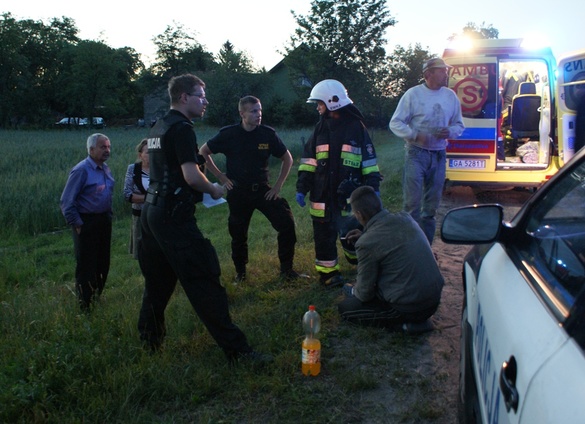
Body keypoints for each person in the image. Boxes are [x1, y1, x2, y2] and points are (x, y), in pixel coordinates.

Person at [137, 74, 271, 366]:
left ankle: (149, 342)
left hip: (151, 211)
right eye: (200, 96)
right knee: (205, 281)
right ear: (184, 97)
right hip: (173, 216)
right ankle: (239, 353)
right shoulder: (183, 128)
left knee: (157, 283)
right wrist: (214, 189)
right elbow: (190, 176)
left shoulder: (159, 125)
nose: (205, 101)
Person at [200, 95, 306, 283]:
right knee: (238, 234)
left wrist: (278, 186)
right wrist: (221, 176)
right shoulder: (229, 134)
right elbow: (203, 152)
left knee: (286, 224)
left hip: (263, 191)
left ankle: (287, 270)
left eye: (260, 110)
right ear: (242, 113)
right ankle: (240, 274)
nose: (259, 115)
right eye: (254, 111)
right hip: (238, 192)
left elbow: (287, 158)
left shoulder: (267, 134)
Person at [296, 79, 382, 287]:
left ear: (332, 102)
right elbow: (309, 162)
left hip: (348, 195)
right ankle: (328, 274)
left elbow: (369, 162)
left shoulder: (356, 128)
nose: (317, 107)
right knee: (323, 236)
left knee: (352, 230)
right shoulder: (320, 129)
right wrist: (302, 188)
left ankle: (357, 259)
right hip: (322, 196)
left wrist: (373, 188)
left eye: (319, 103)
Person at [337, 186, 444, 332]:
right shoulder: (405, 218)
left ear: (359, 215)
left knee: (345, 308)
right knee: (354, 291)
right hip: (434, 299)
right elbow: (389, 240)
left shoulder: (366, 243)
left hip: (409, 307)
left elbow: (364, 294)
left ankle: (407, 326)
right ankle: (414, 318)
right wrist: (365, 235)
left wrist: (354, 291)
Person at [389, 57, 464, 244]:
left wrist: (450, 131)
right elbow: (395, 123)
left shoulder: (450, 96)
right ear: (428, 74)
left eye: (446, 70)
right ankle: (411, 248)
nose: (446, 74)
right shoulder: (413, 94)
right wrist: (414, 135)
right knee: (411, 206)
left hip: (439, 155)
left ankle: (426, 248)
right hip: (416, 153)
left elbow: (459, 125)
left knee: (430, 208)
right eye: (442, 70)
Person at [60, 133, 114, 310]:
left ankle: (96, 297)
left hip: (103, 220)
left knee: (103, 262)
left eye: (108, 147)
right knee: (86, 265)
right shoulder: (81, 170)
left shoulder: (105, 168)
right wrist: (77, 223)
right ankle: (84, 305)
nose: (107, 150)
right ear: (91, 150)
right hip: (86, 222)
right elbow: (67, 201)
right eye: (103, 147)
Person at [123, 138, 149, 259]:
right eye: (148, 152)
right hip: (139, 214)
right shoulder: (133, 169)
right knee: (141, 250)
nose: (151, 155)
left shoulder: (161, 169)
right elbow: (127, 194)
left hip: (158, 215)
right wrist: (151, 198)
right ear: (140, 155)